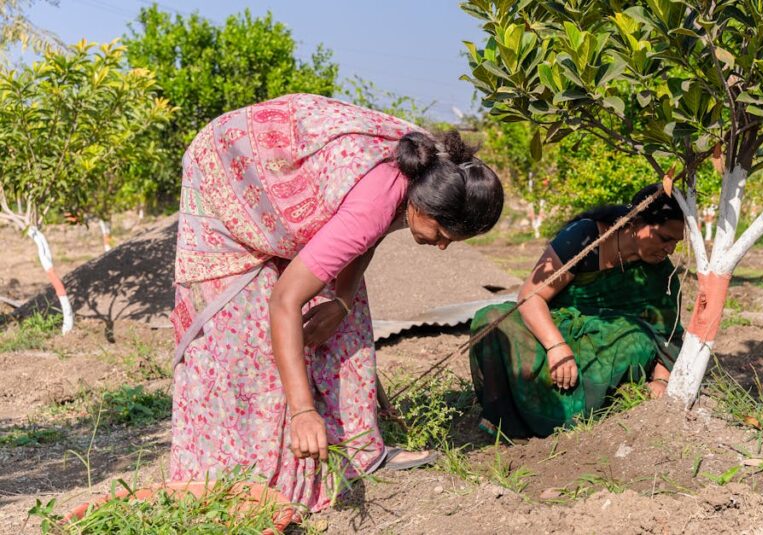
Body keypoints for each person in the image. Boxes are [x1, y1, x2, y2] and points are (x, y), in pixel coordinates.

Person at [168, 93, 503, 511]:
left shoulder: (423, 171)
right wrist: (303, 409)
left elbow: (367, 238)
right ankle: (232, 474)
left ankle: (358, 450)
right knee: (247, 337)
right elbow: (284, 300)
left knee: (346, 312)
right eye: (442, 236)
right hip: (228, 171)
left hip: (281, 177)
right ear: (425, 206)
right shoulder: (376, 204)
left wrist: (342, 301)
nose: (440, 249)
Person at [469, 184, 686, 438]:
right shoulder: (584, 238)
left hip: (610, 343)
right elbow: (531, 297)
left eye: (676, 242)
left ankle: (569, 418)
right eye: (665, 238)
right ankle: (506, 417)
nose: (670, 249)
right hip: (557, 330)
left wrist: (660, 380)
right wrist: (556, 346)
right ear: (636, 222)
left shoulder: (661, 273)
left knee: (632, 339)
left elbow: (668, 333)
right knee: (492, 320)